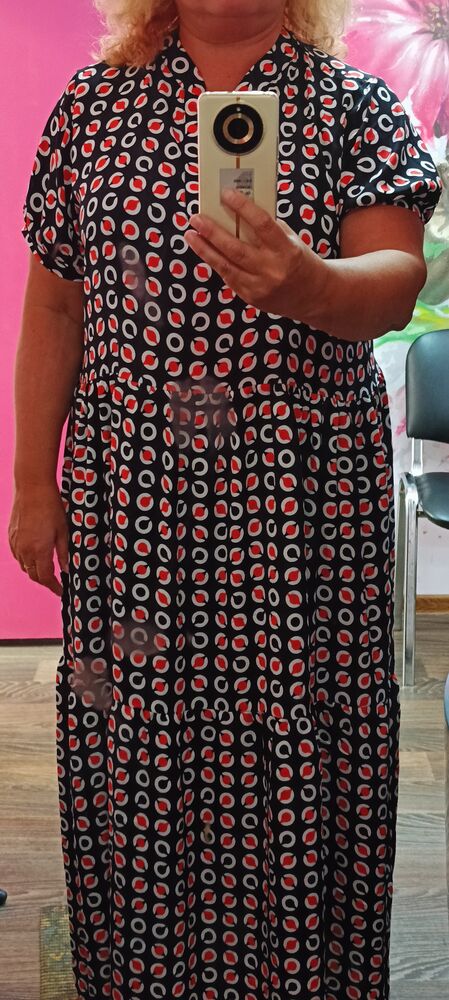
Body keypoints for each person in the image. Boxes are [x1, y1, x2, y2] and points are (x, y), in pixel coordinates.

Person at [10, 1, 443, 998]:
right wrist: (34, 481)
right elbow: (57, 303)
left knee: (300, 730)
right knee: (135, 732)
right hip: (131, 498)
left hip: (301, 506)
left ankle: (301, 974)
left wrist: (304, 282)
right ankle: (142, 972)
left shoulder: (351, 104)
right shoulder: (93, 106)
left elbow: (394, 279)